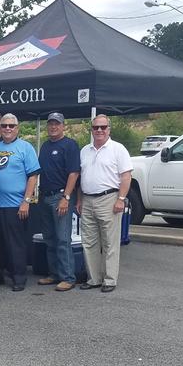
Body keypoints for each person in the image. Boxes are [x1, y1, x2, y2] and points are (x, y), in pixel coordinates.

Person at [77, 115, 133, 293]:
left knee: (110, 242)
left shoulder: (118, 149)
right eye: (95, 128)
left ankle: (109, 280)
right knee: (89, 242)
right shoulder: (85, 150)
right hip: (87, 199)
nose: (99, 130)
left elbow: (126, 176)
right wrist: (79, 199)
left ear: (109, 129)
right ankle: (93, 278)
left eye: (103, 127)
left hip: (109, 199)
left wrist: (121, 199)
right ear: (91, 130)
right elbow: (81, 177)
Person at [0, 113, 40, 291]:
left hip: (16, 205)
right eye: (4, 126)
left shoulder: (25, 148)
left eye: (11, 126)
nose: (8, 128)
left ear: (17, 128)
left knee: (16, 244)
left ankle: (19, 278)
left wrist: (26, 201)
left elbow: (33, 176)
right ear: (0, 128)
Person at [37, 111, 81, 292]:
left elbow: (74, 173)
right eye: (51, 123)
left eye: (57, 123)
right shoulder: (45, 146)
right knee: (49, 238)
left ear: (63, 126)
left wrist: (67, 197)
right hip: (45, 196)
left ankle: (68, 277)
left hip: (61, 197)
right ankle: (54, 274)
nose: (53, 127)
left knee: (63, 239)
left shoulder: (70, 145)